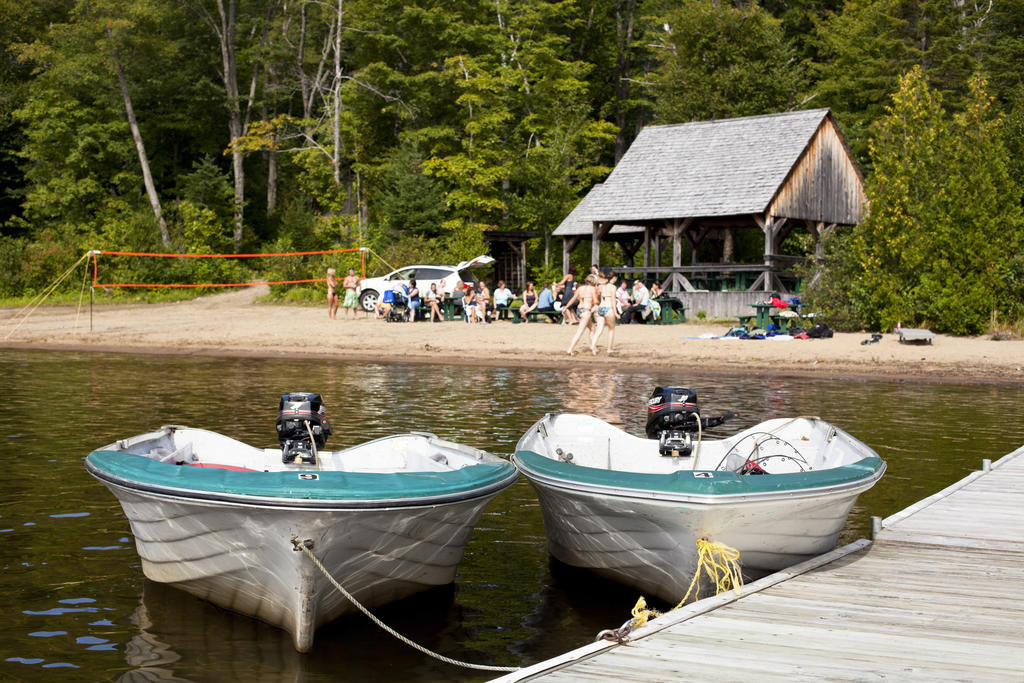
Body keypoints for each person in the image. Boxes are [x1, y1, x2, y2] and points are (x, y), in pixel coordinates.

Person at [566, 274, 598, 355]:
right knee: (580, 332)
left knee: (592, 328)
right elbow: (595, 301)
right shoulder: (592, 289)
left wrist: (566, 307)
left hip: (579, 310)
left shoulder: (580, 288)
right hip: (586, 311)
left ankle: (593, 347)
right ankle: (570, 349)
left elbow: (573, 299)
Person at [591, 268, 618, 355]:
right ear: (614, 278)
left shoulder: (602, 286)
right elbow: (613, 300)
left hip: (601, 308)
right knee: (611, 329)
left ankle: (593, 346)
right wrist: (616, 312)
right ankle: (609, 349)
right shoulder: (613, 287)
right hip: (609, 308)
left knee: (599, 330)